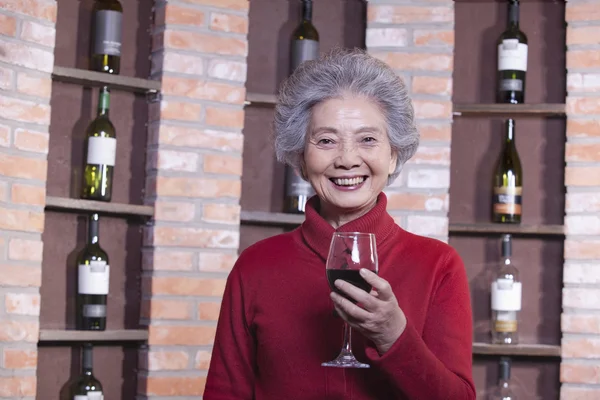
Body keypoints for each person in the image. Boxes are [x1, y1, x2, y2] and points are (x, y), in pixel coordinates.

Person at [204, 47, 475, 400]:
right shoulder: (255, 266)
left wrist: (395, 337)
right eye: (326, 141)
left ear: (393, 156)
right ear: (301, 158)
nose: (347, 159)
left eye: (367, 140)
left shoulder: (439, 265)